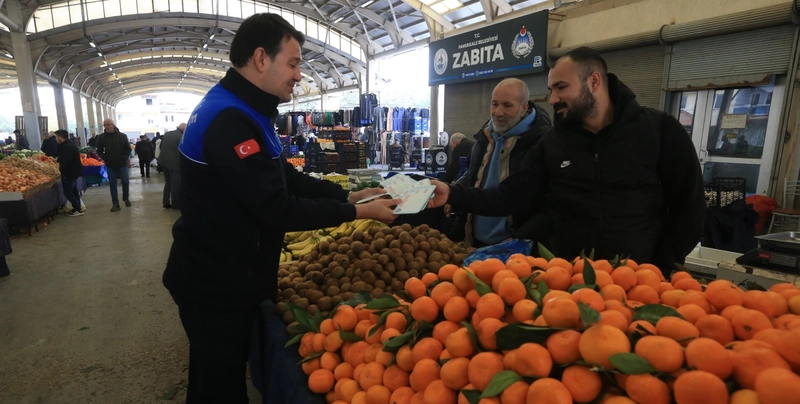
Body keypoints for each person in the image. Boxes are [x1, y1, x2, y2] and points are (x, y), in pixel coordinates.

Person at [161, 13, 398, 402]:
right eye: (293, 63)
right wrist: (358, 213)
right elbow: (277, 208)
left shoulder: (245, 110)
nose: (299, 75)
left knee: (211, 379)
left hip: (224, 276)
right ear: (261, 59)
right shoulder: (230, 120)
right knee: (220, 389)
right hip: (216, 284)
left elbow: (284, 177)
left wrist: (346, 196)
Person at [428, 47, 706, 273]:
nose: (553, 99)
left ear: (594, 82)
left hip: (637, 280)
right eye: (551, 90)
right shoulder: (553, 143)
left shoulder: (658, 131)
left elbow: (689, 207)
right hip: (566, 282)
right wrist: (452, 192)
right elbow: (509, 197)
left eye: (561, 88)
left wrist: (661, 266)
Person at [451, 78, 553, 247]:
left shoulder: (540, 144)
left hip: (515, 247)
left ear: (524, 108)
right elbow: (475, 173)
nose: (498, 112)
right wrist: (454, 191)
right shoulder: (483, 138)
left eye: (507, 105)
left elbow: (546, 203)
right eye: (494, 104)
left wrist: (522, 237)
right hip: (475, 242)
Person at [96, 119, 132, 212]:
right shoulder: (102, 137)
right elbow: (99, 150)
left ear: (113, 125)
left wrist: (124, 157)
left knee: (125, 182)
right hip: (110, 165)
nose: (107, 127)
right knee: (112, 184)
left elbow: (128, 149)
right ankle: (115, 203)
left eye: (108, 125)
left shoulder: (122, 136)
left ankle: (126, 198)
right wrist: (105, 158)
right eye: (105, 125)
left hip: (122, 164)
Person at [55, 129, 84, 217]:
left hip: (69, 173)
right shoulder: (70, 145)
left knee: (68, 192)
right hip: (74, 172)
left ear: (60, 137)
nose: (56, 139)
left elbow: (67, 160)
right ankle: (78, 208)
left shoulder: (66, 147)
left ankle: (77, 209)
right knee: (74, 191)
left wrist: (61, 169)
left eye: (56, 137)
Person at [158, 123, 185, 209]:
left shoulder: (167, 134)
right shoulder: (181, 136)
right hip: (174, 164)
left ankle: (165, 202)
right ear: (183, 129)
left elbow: (161, 147)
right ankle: (176, 204)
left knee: (168, 182)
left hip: (163, 161)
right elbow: (183, 150)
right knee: (175, 184)